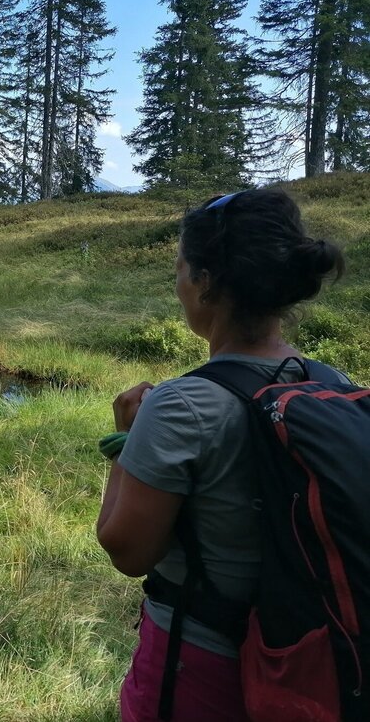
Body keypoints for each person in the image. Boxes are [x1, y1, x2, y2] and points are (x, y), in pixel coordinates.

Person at [94, 188, 346, 721]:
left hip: (202, 665)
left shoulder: (179, 404)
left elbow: (127, 551)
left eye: (181, 267)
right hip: (318, 657)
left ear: (205, 281)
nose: (179, 281)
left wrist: (123, 443)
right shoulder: (333, 384)